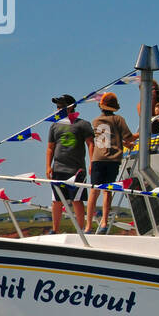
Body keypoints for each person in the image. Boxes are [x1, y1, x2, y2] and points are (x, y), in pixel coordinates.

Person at [86, 92, 137, 234]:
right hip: (112, 159)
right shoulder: (118, 119)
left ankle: (88, 226)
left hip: (97, 158)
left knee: (93, 191)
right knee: (107, 192)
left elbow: (107, 138)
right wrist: (143, 133)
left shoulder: (95, 121)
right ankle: (103, 223)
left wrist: (122, 141)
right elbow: (130, 137)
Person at [46, 94, 94, 233]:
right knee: (56, 200)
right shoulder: (54, 126)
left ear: (71, 107)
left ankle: (81, 230)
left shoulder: (82, 124)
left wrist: (92, 163)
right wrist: (48, 166)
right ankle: (55, 230)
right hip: (58, 168)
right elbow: (50, 148)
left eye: (61, 107)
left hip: (76, 169)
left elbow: (90, 144)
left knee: (76, 200)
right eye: (57, 107)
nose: (58, 109)